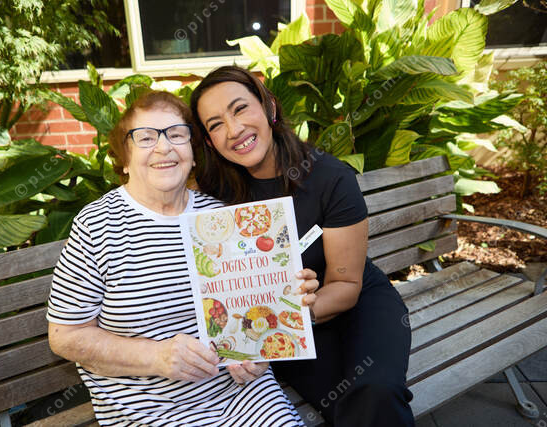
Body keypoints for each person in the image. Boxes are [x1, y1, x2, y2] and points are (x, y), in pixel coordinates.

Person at [46, 90, 317, 426]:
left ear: (192, 153)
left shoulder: (220, 218)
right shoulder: (97, 225)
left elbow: (251, 313)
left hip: (243, 396)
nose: (164, 147)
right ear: (125, 158)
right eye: (146, 137)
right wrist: (156, 356)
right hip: (149, 409)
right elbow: (65, 335)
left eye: (176, 135)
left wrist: (259, 352)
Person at [190, 66, 415, 427]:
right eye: (215, 125)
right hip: (285, 325)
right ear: (208, 141)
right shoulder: (213, 195)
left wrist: (295, 313)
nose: (233, 130)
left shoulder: (330, 177)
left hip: (354, 304)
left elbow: (346, 284)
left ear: (269, 106)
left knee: (376, 389)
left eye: (240, 108)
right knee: (347, 406)